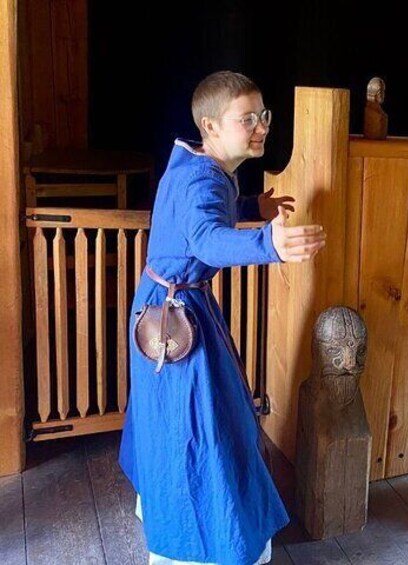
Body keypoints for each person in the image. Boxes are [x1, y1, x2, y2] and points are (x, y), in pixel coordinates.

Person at [119, 70, 326, 564]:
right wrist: (267, 242)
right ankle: (200, 542)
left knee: (185, 418)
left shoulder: (201, 165)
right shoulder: (202, 180)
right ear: (211, 126)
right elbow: (205, 238)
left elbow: (208, 215)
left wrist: (255, 204)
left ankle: (180, 510)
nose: (260, 127)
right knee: (198, 424)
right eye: (247, 119)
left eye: (263, 116)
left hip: (169, 305)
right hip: (174, 320)